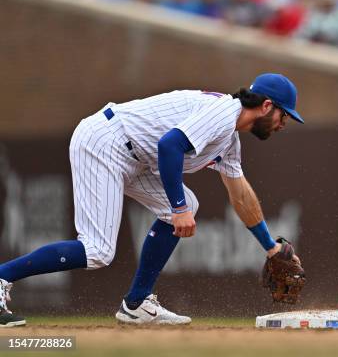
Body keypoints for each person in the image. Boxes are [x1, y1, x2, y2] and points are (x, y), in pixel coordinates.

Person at [0, 73, 304, 327]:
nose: (283, 123)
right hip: (106, 141)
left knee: (189, 203)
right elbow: (170, 145)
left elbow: (240, 195)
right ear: (266, 106)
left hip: (134, 155)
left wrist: (270, 247)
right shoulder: (224, 113)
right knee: (97, 251)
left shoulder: (229, 138)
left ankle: (136, 303)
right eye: (284, 115)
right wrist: (178, 209)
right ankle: (2, 277)